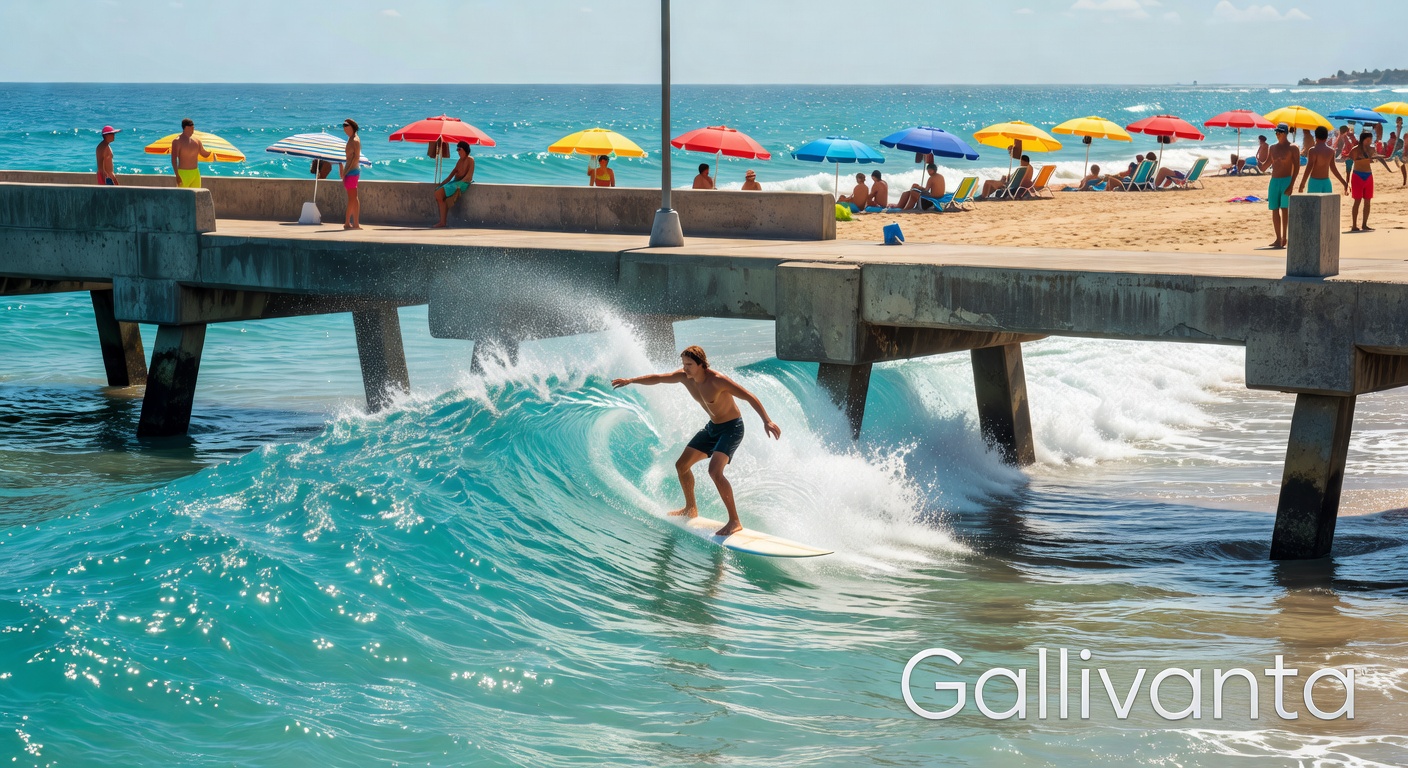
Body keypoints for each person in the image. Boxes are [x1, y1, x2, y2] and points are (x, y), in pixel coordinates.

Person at [611, 345, 781, 537]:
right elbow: (658, 378)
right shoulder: (685, 378)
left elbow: (749, 396)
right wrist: (631, 380)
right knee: (682, 465)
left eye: (689, 364)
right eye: (684, 364)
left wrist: (767, 420)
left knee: (714, 471)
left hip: (732, 429)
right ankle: (690, 508)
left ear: (701, 364)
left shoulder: (717, 381)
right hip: (713, 428)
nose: (685, 368)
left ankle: (735, 521)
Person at [1265, 122, 1300, 249]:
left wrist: (1292, 184)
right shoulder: (1272, 147)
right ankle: (1277, 238)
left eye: (1279, 132)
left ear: (1285, 133)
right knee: (1274, 209)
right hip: (1274, 180)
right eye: (1276, 132)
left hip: (1286, 180)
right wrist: (1258, 162)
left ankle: (1285, 237)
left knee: (1284, 208)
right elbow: (1265, 165)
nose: (1277, 134)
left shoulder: (1293, 147)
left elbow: (1296, 167)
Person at [433, 141, 475, 228]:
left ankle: (442, 222)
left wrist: (459, 184)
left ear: (465, 150)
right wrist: (441, 185)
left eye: (459, 149)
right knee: (438, 193)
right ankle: (442, 221)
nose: (458, 152)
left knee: (439, 194)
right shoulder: (459, 162)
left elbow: (469, 176)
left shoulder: (470, 160)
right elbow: (450, 177)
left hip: (463, 183)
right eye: (457, 150)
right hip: (456, 182)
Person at [1298, 125, 1348, 196]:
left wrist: (1302, 184)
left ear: (1316, 136)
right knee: (1326, 206)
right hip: (1326, 182)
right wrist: (1344, 183)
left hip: (1314, 182)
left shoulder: (1313, 150)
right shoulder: (1331, 151)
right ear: (1326, 137)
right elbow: (1334, 169)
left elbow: (1309, 168)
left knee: (1314, 206)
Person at [1348, 130, 1378, 232]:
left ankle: (1365, 224)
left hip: (1368, 175)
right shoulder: (1355, 149)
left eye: (1371, 139)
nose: (1369, 141)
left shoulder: (1372, 149)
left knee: (1368, 201)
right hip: (1357, 175)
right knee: (1357, 201)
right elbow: (1349, 160)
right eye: (1368, 139)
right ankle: (1354, 225)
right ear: (1363, 139)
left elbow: (1374, 157)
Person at [170, 118, 207, 189]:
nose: (193, 129)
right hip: (183, 173)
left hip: (195, 172)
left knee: (196, 196)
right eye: (192, 127)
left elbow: (203, 153)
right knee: (182, 197)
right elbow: (174, 159)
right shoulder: (177, 141)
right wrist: (177, 175)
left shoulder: (197, 140)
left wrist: (213, 153)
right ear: (186, 127)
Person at [340, 118, 362, 230]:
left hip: (352, 172)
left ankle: (347, 223)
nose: (344, 128)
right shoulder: (350, 139)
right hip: (351, 171)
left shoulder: (355, 141)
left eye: (346, 125)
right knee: (354, 198)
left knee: (351, 199)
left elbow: (356, 157)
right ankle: (356, 224)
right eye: (343, 126)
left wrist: (346, 171)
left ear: (352, 127)